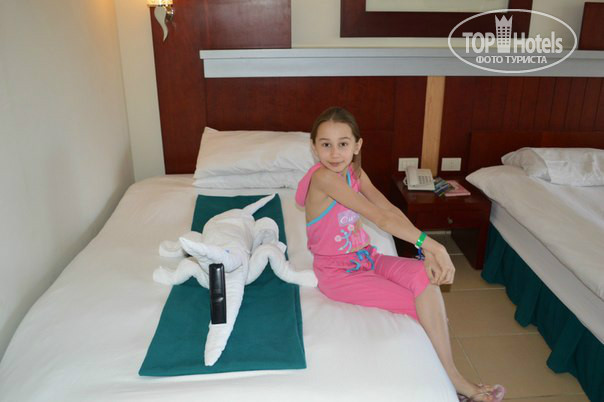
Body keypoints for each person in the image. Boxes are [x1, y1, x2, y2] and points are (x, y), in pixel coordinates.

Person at [295, 106, 505, 402]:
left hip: (366, 257)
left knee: (425, 279)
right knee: (420, 305)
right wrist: (434, 245)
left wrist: (423, 247)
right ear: (314, 147)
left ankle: (450, 374)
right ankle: (455, 379)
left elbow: (389, 209)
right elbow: (379, 219)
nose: (334, 153)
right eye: (325, 144)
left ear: (357, 145)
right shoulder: (324, 179)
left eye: (343, 143)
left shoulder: (354, 172)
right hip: (339, 274)